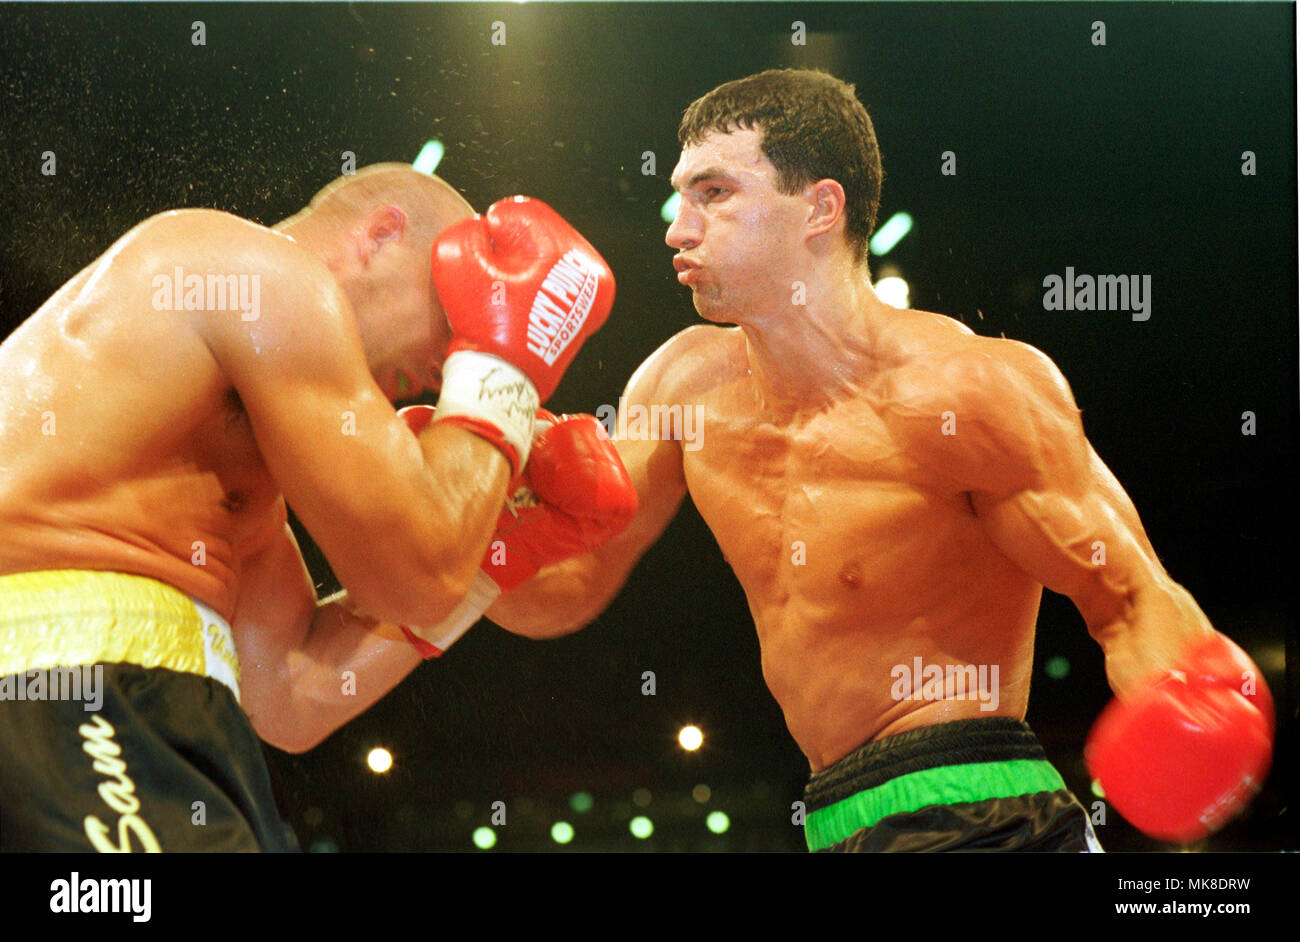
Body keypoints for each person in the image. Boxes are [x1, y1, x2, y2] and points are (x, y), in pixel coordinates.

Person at [485, 70, 1274, 851]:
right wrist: (460, 517)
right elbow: (570, 585)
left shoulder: (971, 390)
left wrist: (1196, 703)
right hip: (834, 823)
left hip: (985, 816)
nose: (677, 230)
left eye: (714, 194)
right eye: (681, 197)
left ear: (820, 208)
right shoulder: (679, 384)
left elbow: (1129, 596)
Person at [0, 163, 633, 851]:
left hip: (142, 708)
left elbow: (289, 696)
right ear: (382, 233)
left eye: (478, 335)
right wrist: (507, 370)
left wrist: (487, 560)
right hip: (55, 688)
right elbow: (418, 576)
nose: (449, 364)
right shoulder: (254, 270)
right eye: (460, 317)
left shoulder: (231, 477)